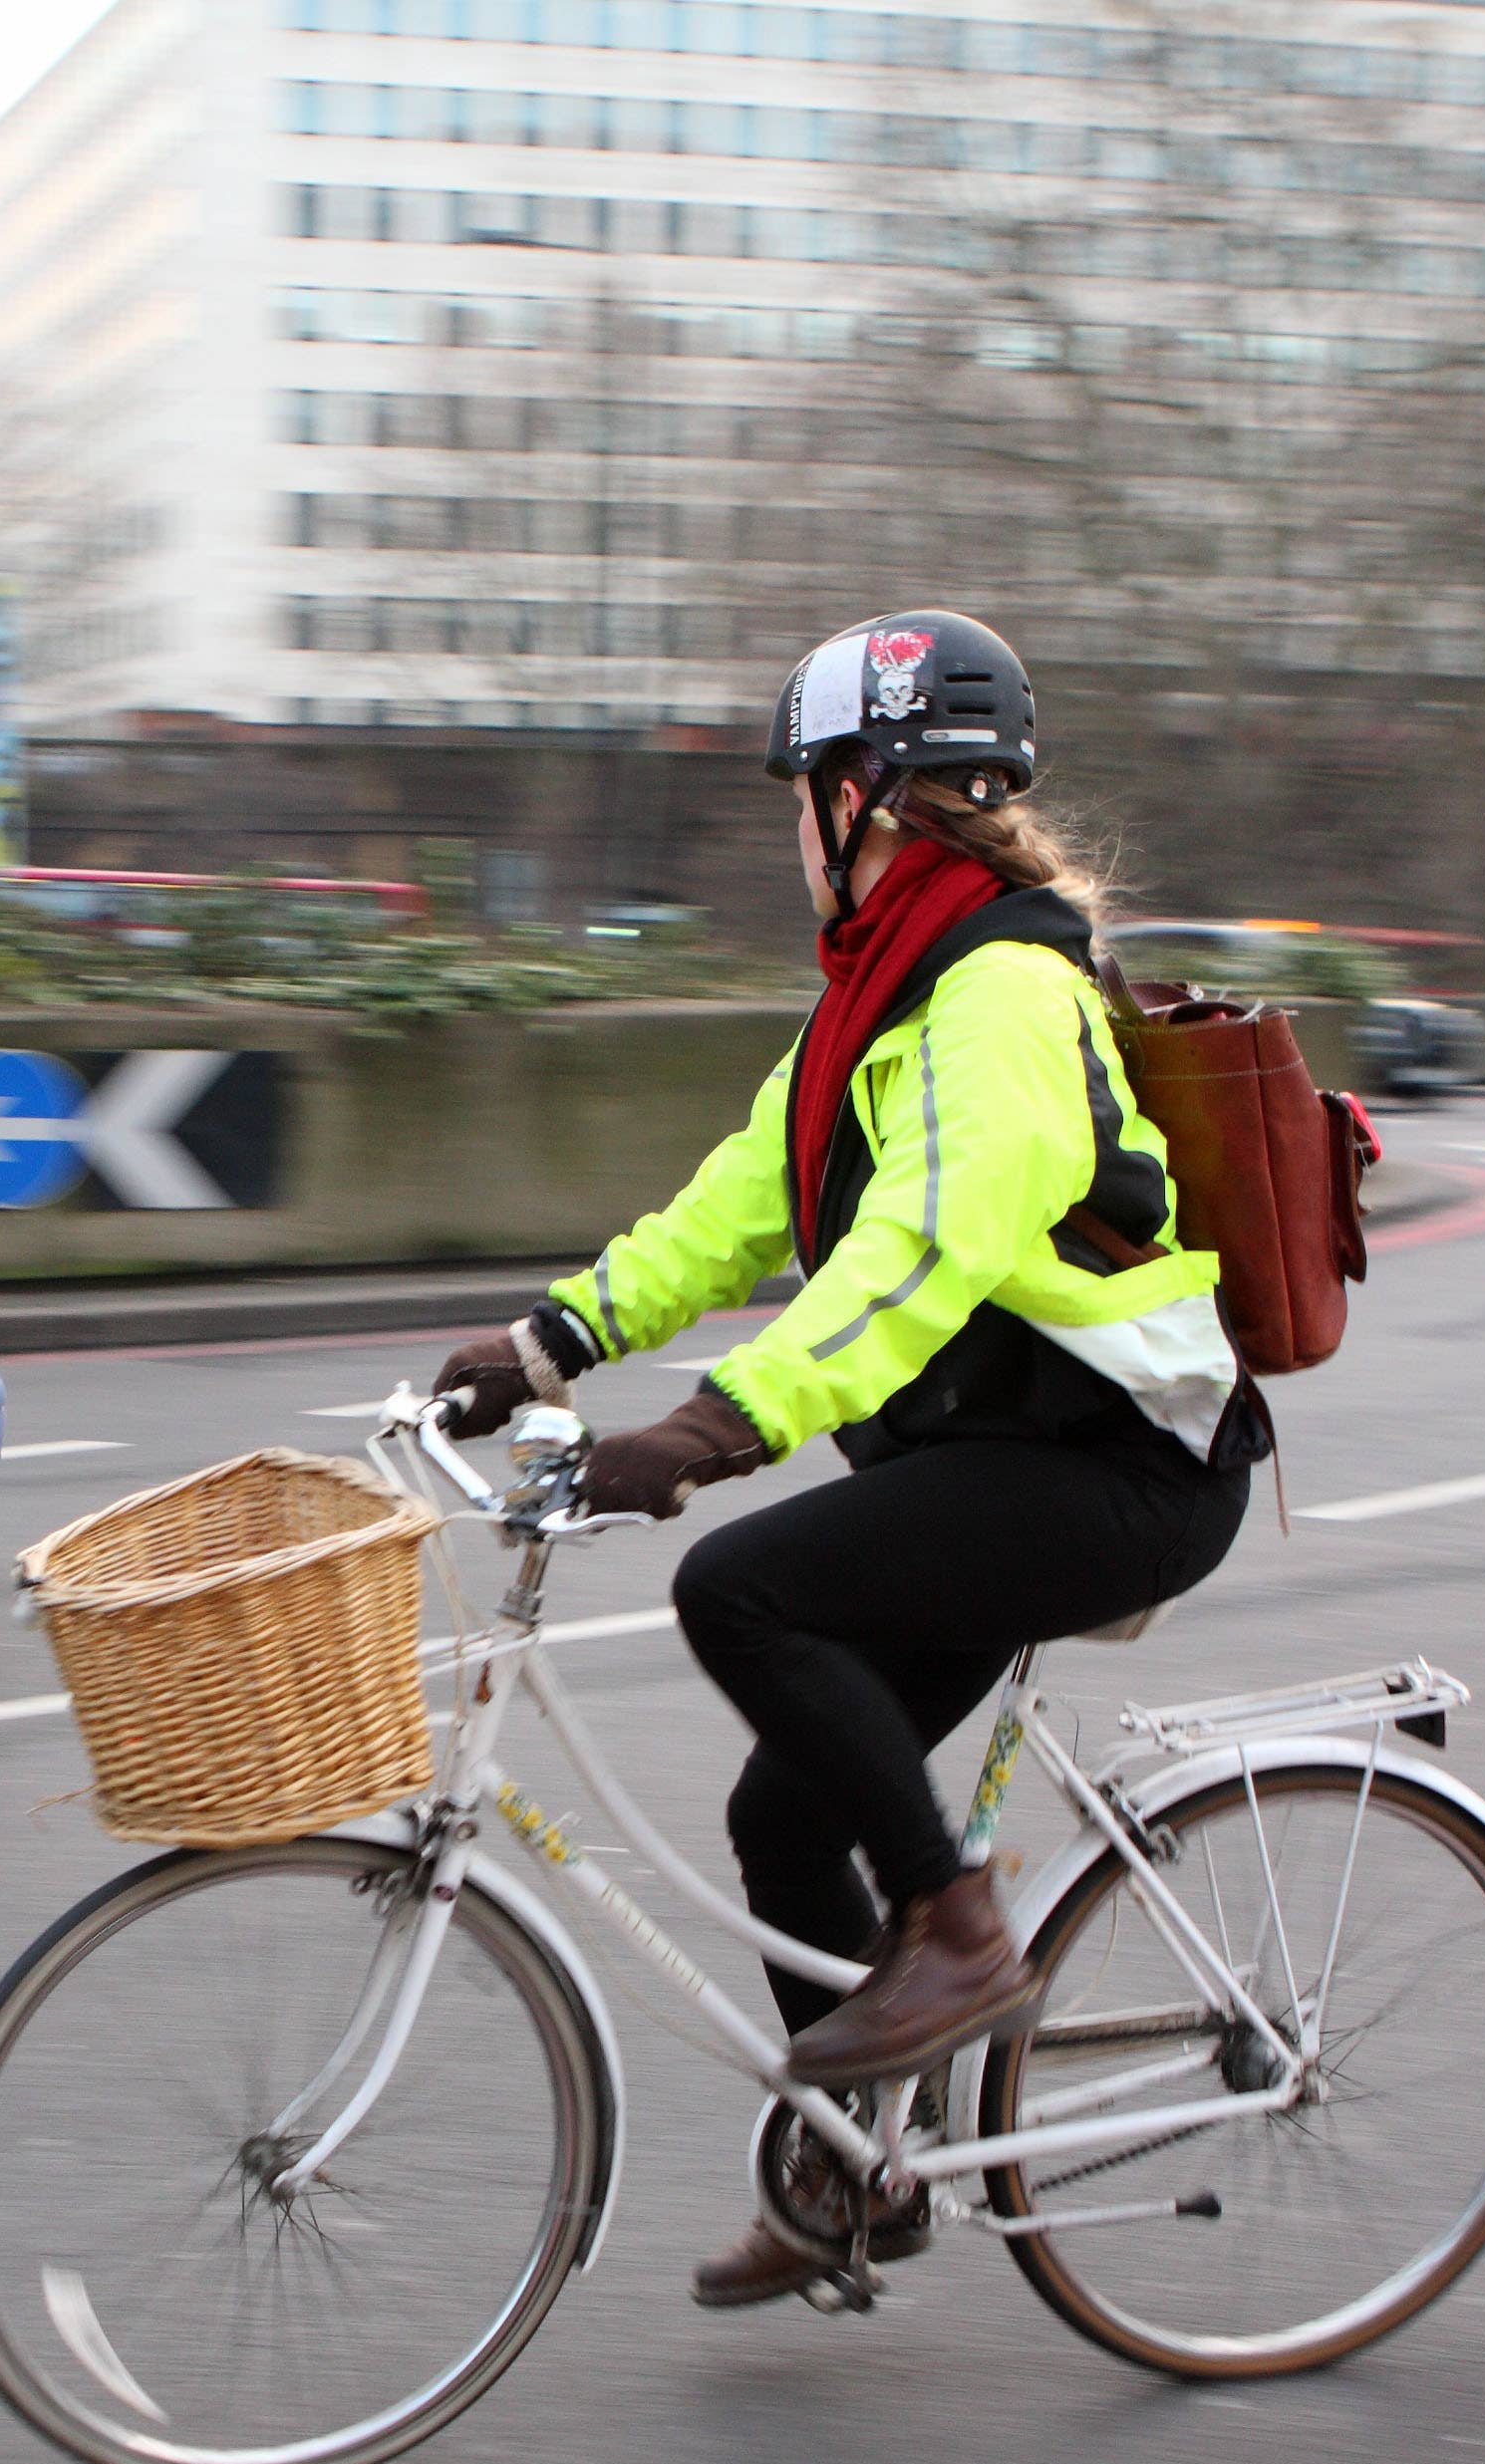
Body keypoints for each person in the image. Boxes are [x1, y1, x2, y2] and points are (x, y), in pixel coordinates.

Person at [431, 610, 1261, 2310]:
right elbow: (736, 1208)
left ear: (867, 793)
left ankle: (957, 1937)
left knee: (743, 1587)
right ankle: (856, 2173)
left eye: (800, 791)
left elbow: (923, 1255)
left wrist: (712, 1430)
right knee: (777, 1808)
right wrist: (549, 1343)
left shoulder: (1004, 996)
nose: (786, 828)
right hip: (995, 1454)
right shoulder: (875, 1006)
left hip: (1119, 1461)